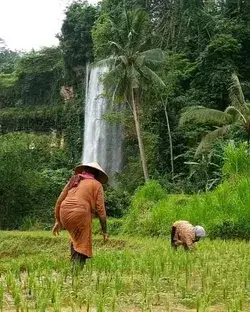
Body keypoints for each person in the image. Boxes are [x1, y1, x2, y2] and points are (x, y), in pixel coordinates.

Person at [52, 162, 109, 269]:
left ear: (84, 171)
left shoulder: (75, 180)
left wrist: (58, 220)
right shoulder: (97, 185)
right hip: (81, 213)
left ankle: (73, 268)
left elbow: (60, 199)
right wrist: (104, 231)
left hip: (64, 212)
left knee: (76, 240)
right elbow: (101, 210)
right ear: (96, 175)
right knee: (83, 243)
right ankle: (75, 271)